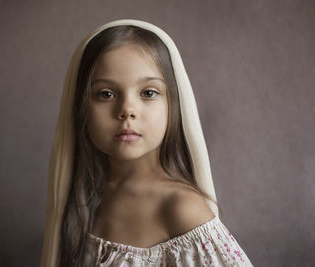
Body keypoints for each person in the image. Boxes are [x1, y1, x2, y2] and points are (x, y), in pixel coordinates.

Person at [40, 19, 253, 267]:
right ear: (80, 106)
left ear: (173, 104)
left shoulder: (179, 208)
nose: (127, 110)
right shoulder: (88, 198)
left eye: (148, 92)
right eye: (105, 94)